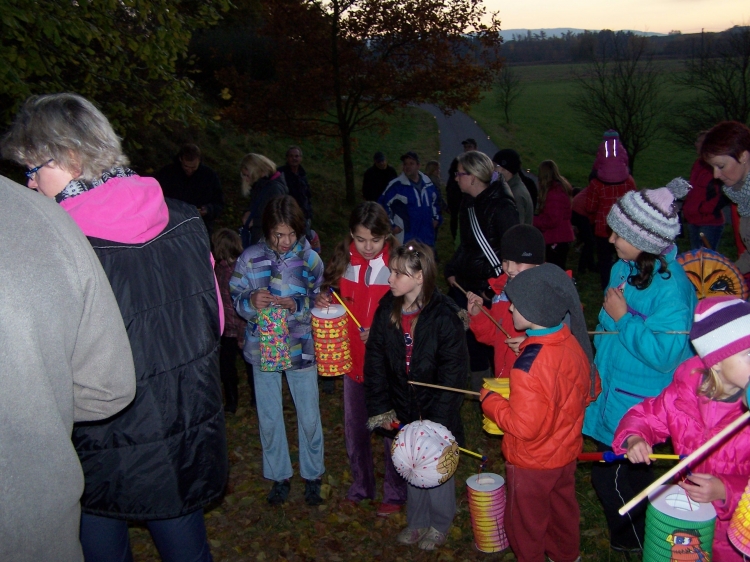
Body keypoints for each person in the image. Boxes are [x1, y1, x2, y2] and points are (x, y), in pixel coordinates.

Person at [3, 93, 227, 562]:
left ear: (71, 157)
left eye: (34, 168)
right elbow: (217, 322)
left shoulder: (56, 245)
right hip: (182, 421)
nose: (30, 183)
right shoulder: (186, 218)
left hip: (102, 439)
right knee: (187, 546)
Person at [0, 174, 136, 562]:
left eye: (36, 167)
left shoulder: (53, 219)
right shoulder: (44, 221)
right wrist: (45, 403)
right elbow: (109, 386)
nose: (30, 180)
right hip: (40, 514)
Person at [582, 178, 697, 554]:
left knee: (609, 478)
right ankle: (650, 529)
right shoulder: (623, 268)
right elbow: (607, 325)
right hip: (612, 387)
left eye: (619, 235)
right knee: (634, 472)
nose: (611, 240)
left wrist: (624, 317)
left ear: (645, 241)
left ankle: (633, 541)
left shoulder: (672, 289)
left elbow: (666, 355)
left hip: (638, 401)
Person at [613, 296, 750, 562]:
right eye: (748, 354)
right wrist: (635, 438)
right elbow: (646, 416)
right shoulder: (684, 394)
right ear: (717, 361)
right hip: (690, 517)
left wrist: (726, 491)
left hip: (737, 531)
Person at [480, 264, 598, 562]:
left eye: (516, 305)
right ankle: (566, 556)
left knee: (525, 523)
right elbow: (583, 390)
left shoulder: (527, 367)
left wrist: (490, 402)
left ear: (535, 311)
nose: (510, 310)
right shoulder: (571, 342)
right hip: (565, 454)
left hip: (531, 464)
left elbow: (524, 426)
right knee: (562, 511)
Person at [364, 241, 468, 551]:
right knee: (412, 461)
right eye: (391, 272)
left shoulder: (444, 316)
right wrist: (382, 408)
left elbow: (454, 372)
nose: (390, 279)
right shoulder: (387, 310)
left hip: (436, 409)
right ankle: (418, 520)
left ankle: (440, 522)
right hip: (402, 404)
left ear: (420, 276)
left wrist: (438, 422)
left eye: (398, 273)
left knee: (436, 463)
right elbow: (375, 362)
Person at [230, 195, 325, 506]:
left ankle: (313, 475)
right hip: (263, 348)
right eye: (278, 235)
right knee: (269, 416)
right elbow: (235, 296)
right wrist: (249, 302)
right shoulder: (249, 259)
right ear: (267, 230)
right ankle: (278, 475)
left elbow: (321, 300)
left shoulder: (310, 260)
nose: (285, 241)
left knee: (309, 415)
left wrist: (298, 304)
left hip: (301, 347)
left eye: (291, 234)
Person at [315, 202, 406, 516]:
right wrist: (325, 297)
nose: (367, 247)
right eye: (360, 239)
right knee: (356, 431)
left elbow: (410, 313)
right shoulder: (345, 260)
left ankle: (395, 492)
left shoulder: (398, 265)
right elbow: (332, 292)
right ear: (351, 235)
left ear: (387, 236)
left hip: (387, 368)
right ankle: (362, 485)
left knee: (391, 431)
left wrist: (382, 333)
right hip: (353, 363)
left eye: (375, 240)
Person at [444, 150, 519, 391]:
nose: (456, 178)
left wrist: (490, 289)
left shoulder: (501, 207)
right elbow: (468, 245)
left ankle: (500, 385)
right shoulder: (469, 202)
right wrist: (452, 268)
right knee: (470, 333)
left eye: (460, 174)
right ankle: (480, 384)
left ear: (474, 177)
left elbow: (511, 254)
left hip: (490, 288)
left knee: (494, 338)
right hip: (469, 283)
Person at [584, 134, 638, 289]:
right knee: (624, 259)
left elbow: (590, 207)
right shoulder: (629, 181)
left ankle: (607, 287)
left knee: (604, 260)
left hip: (603, 228)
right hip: (624, 228)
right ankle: (623, 286)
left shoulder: (596, 184)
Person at [212, 228, 254, 414]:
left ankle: (256, 398)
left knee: (251, 363)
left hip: (242, 325)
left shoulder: (240, 270)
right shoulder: (218, 270)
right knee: (226, 367)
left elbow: (242, 303)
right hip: (226, 329)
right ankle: (231, 400)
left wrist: (242, 333)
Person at [701, 121, 750, 271]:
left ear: (743, 156)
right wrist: (729, 272)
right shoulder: (743, 198)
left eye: (721, 166)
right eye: (712, 167)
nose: (716, 175)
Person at [155, 143, 224, 235]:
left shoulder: (209, 177)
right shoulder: (167, 173)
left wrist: (208, 210)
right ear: (180, 159)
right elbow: (155, 196)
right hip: (170, 225)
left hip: (198, 228)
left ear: (199, 160)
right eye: (186, 166)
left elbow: (218, 203)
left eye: (193, 167)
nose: (190, 170)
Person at [378, 151, 442, 247]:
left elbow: (435, 202)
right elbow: (381, 205)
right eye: (405, 164)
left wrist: (436, 219)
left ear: (418, 166)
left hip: (427, 238)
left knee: (426, 256)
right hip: (406, 239)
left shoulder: (427, 183)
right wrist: (391, 226)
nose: (407, 167)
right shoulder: (396, 186)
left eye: (411, 164)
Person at [683, 131, 727, 250]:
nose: (696, 144)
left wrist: (705, 209)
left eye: (700, 142)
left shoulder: (717, 166)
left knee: (706, 258)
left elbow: (724, 194)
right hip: (693, 220)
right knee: (695, 257)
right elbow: (693, 190)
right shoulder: (698, 164)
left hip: (709, 222)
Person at [239, 153, 289, 248]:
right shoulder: (261, 186)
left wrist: (254, 221)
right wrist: (248, 212)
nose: (246, 179)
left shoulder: (273, 189)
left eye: (247, 175)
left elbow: (277, 219)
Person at [533, 160, 575, 270]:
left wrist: (533, 220)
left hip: (556, 238)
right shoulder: (559, 189)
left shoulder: (554, 193)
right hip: (560, 236)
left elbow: (552, 220)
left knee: (554, 269)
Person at [278, 145, 313, 239]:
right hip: (287, 215)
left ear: (300, 158)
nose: (294, 158)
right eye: (291, 156)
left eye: (296, 156)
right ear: (287, 158)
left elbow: (307, 195)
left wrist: (309, 213)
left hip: (303, 216)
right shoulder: (280, 174)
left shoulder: (302, 175)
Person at [446, 138, 477, 240]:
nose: (467, 149)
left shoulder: (479, 162)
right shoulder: (458, 161)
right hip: (458, 197)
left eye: (469, 147)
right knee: (456, 220)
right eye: (465, 147)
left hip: (474, 198)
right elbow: (452, 180)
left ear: (475, 148)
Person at [493, 149, 534, 225]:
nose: (493, 169)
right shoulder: (510, 187)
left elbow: (516, 228)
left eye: (495, 166)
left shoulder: (515, 195)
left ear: (504, 169)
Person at [570, 185, 597, 274]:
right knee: (589, 242)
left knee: (589, 240)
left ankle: (590, 265)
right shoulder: (602, 189)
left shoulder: (595, 185)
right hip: (581, 212)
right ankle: (582, 268)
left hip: (578, 209)